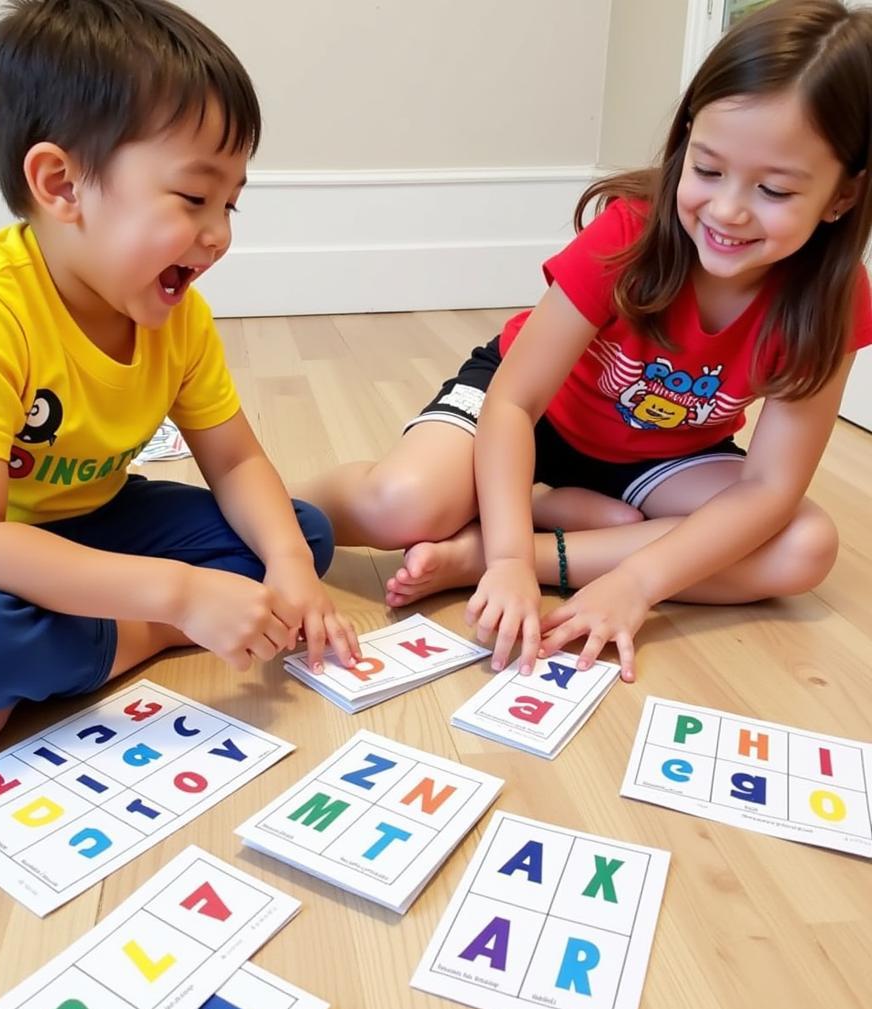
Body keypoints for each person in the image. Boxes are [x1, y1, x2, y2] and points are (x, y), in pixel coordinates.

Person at [300, 0, 872, 683]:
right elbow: (514, 402)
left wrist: (631, 583)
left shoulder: (835, 300)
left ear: (843, 196)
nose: (727, 210)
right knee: (404, 505)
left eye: (774, 189)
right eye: (708, 169)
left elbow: (769, 489)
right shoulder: (628, 235)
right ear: (685, 139)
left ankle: (502, 548)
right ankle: (277, 512)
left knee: (804, 547)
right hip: (534, 415)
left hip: (665, 455)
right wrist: (511, 560)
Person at [0, 0, 359, 757]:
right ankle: (127, 639)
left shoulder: (178, 316)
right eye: (193, 198)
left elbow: (237, 460)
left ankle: (54, 661)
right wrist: (181, 601)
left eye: (230, 203)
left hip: (86, 515)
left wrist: (288, 568)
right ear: (61, 184)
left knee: (302, 534)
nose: (219, 233)